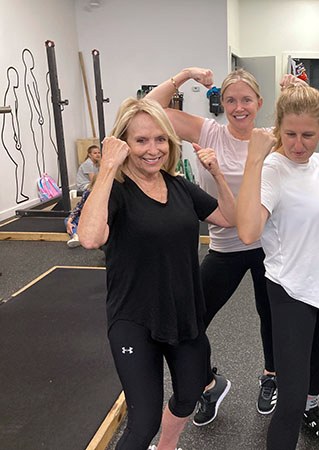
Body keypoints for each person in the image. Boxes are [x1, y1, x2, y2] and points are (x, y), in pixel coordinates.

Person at [77, 97, 236, 450]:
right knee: (142, 421)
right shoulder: (115, 193)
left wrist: (218, 174)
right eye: (141, 141)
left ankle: (167, 445)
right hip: (134, 318)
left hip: (183, 313)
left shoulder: (179, 187)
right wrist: (106, 169)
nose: (153, 149)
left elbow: (229, 218)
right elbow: (89, 238)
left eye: (160, 139)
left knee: (191, 391)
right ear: (124, 144)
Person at [146, 67, 277, 423]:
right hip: (225, 245)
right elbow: (146, 111)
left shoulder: (271, 137)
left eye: (246, 100)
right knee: (193, 320)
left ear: (259, 103)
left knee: (272, 317)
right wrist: (184, 75)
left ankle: (272, 377)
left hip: (270, 245)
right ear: (222, 102)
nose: (238, 107)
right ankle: (208, 384)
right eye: (231, 99)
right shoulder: (209, 132)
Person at [237, 84, 319, 449]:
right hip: (292, 290)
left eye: (308, 135)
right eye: (289, 135)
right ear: (277, 130)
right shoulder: (272, 170)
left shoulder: (317, 161)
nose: (298, 145)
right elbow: (249, 231)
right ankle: (298, 412)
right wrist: (255, 160)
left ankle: (311, 409)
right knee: (290, 394)